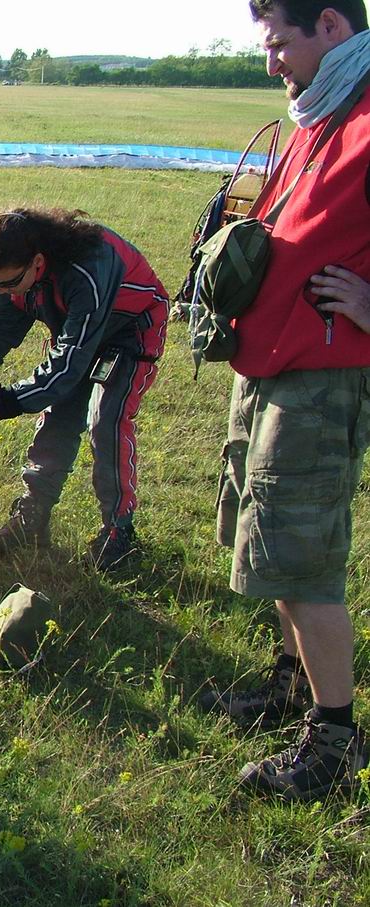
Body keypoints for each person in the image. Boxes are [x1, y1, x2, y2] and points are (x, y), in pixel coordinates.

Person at [202, 0, 370, 802]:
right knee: (268, 539)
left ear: (331, 26)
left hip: (320, 375)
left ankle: (335, 740)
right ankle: (291, 686)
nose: (270, 61)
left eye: (279, 43)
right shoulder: (318, 114)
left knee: (303, 560)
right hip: (267, 361)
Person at [0, 207, 169, 571]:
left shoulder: (88, 267)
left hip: (130, 332)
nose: (1, 292)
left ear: (38, 263)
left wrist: (0, 402)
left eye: (8, 283)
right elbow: (1, 323)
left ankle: (118, 532)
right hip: (79, 331)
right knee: (58, 417)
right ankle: (32, 517)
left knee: (107, 421)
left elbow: (69, 364)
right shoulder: (13, 274)